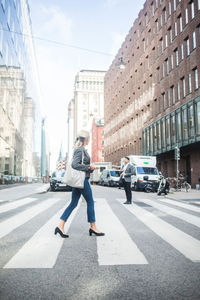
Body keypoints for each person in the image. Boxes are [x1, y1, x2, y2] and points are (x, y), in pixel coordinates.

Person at [55, 130, 105, 238]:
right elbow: (75, 165)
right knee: (90, 202)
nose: (89, 140)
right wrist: (88, 167)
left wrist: (90, 169)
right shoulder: (80, 150)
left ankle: (60, 226)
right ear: (86, 139)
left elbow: (80, 165)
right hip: (81, 181)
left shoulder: (80, 149)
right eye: (89, 138)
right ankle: (93, 227)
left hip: (78, 181)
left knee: (73, 203)